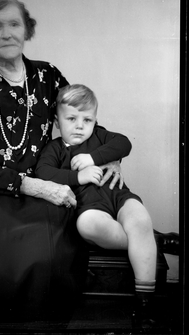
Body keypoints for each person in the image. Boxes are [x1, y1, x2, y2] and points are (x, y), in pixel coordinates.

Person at [0, 0, 123, 326]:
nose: (6, 34)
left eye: (14, 24)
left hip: (47, 185)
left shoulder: (48, 76)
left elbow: (78, 120)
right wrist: (37, 187)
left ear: (27, 29)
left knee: (47, 262)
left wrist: (107, 155)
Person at [35, 84, 157, 329]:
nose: (80, 126)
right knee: (88, 225)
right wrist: (77, 177)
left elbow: (124, 143)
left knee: (139, 219)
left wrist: (93, 158)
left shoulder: (100, 137)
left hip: (119, 197)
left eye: (87, 119)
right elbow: (43, 172)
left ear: (95, 121)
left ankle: (145, 305)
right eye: (71, 118)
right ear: (57, 122)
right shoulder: (56, 148)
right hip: (91, 207)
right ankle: (152, 240)